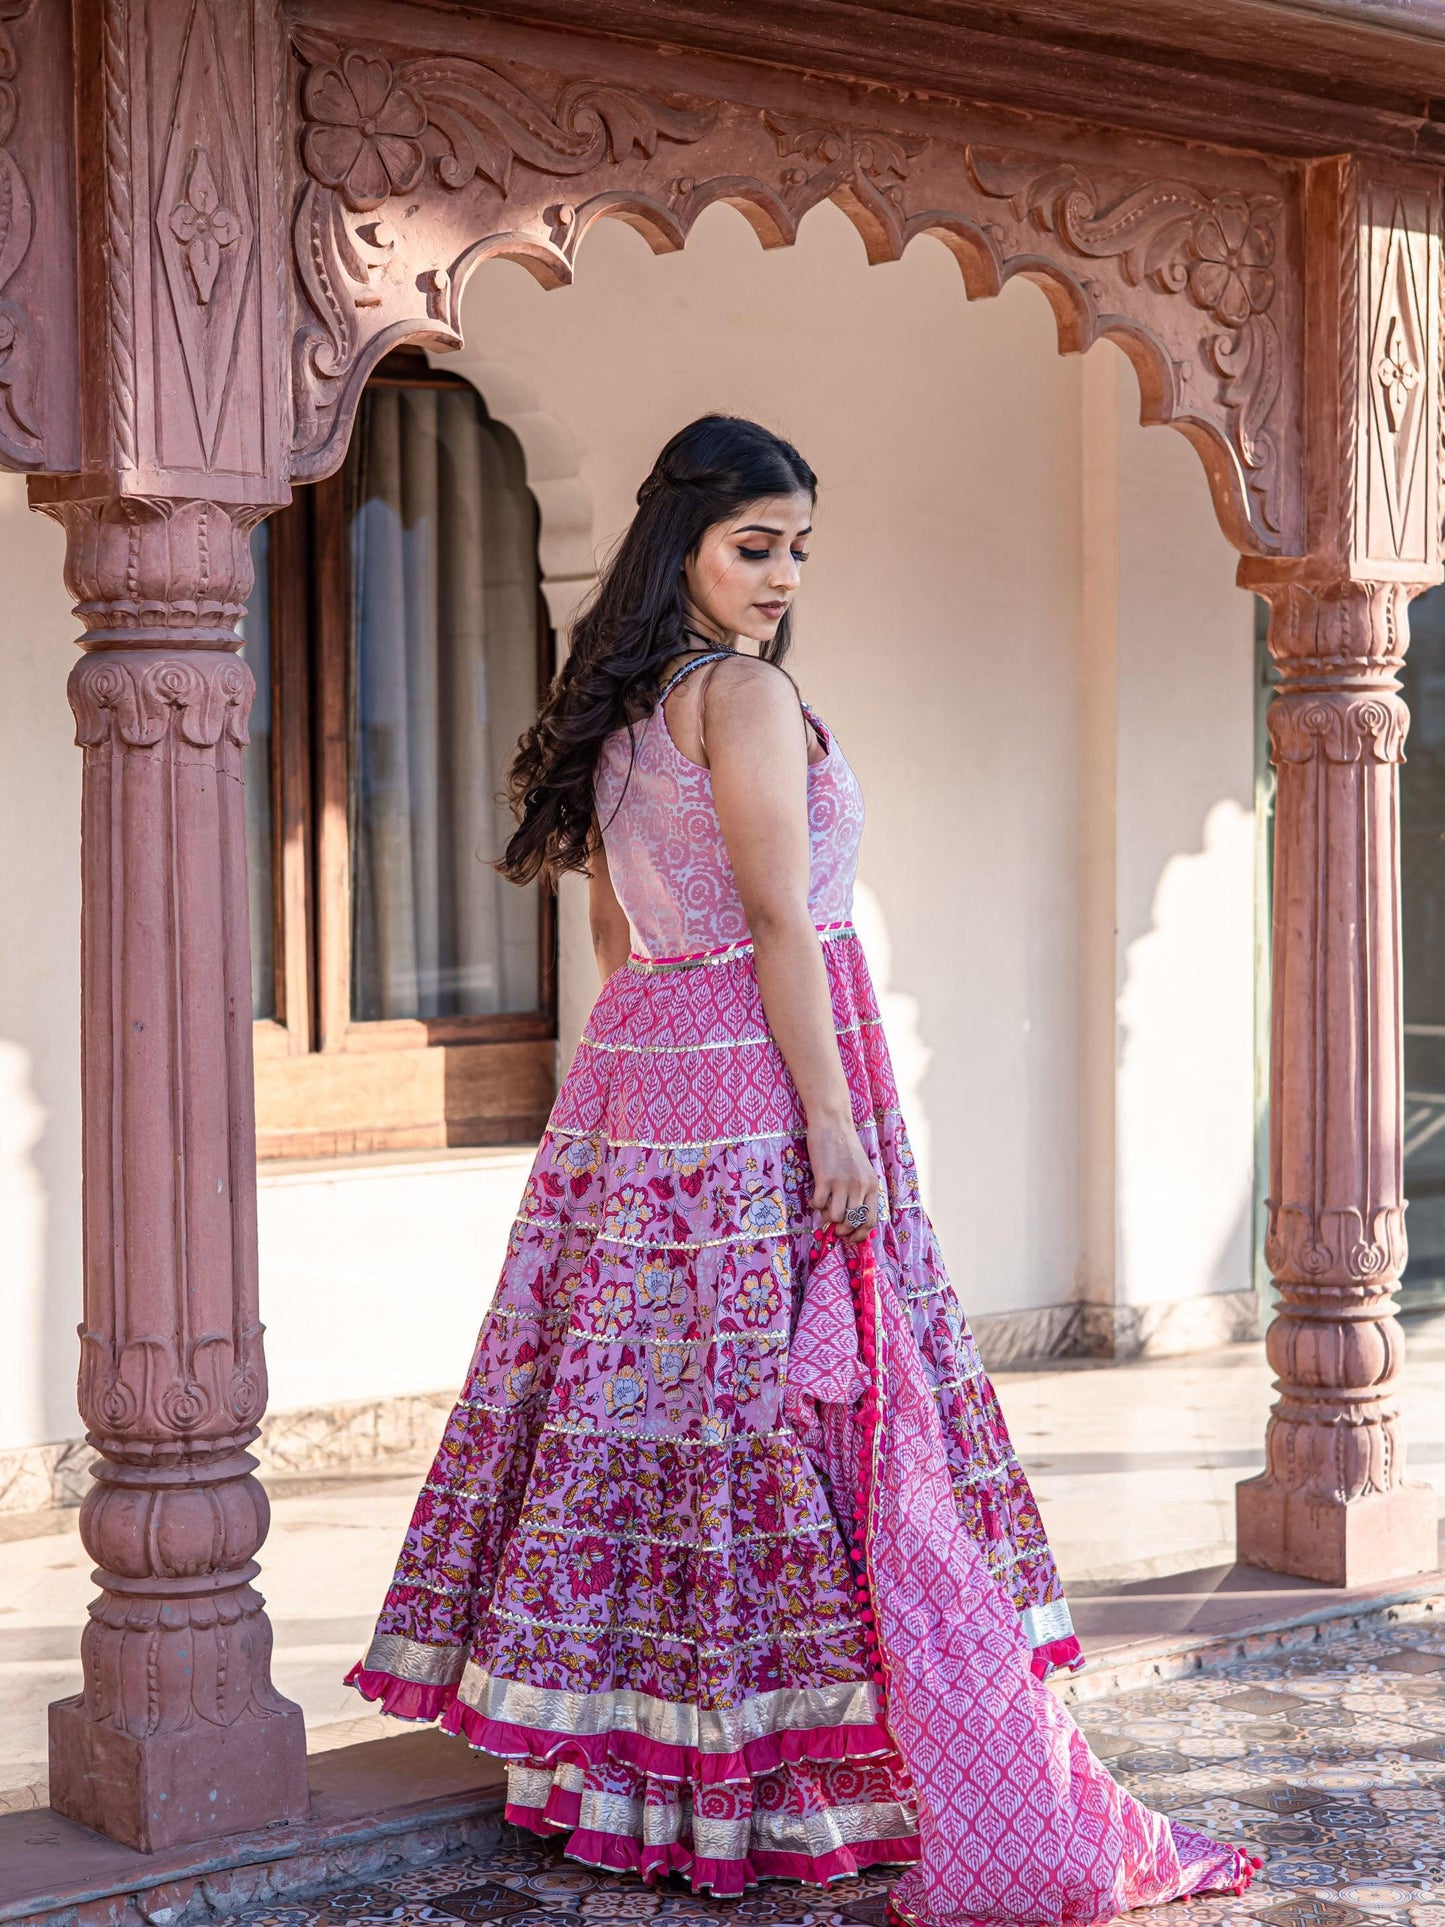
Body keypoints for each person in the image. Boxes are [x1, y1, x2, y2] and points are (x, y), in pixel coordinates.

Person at [347, 414, 1261, 1924]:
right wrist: (829, 1120)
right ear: (683, 544)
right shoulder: (741, 695)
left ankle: (629, 1779)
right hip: (760, 1074)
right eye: (752, 546)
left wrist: (627, 1076)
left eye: (795, 553)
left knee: (647, 1411)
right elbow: (780, 920)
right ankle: (773, 1789)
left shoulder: (622, 701)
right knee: (793, 1415)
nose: (777, 578)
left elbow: (609, 933)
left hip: (639, 1077)